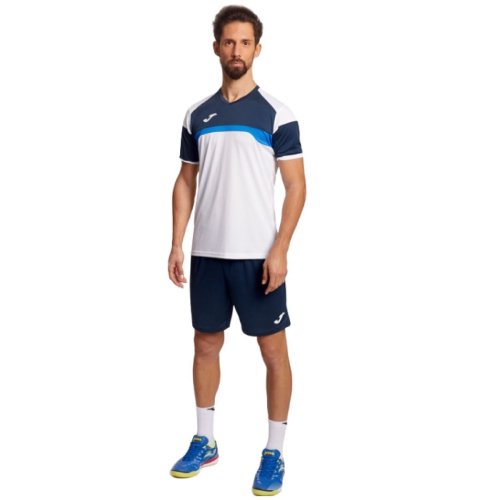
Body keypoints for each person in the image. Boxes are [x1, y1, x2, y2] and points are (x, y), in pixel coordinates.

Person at [168, 5, 306, 496]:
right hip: (208, 255)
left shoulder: (277, 113)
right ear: (216, 48)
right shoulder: (196, 114)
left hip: (258, 257)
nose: (236, 50)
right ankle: (205, 440)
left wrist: (280, 249)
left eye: (245, 42)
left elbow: (297, 187)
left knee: (273, 351)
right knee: (205, 345)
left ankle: (274, 451)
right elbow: (185, 181)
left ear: (257, 49)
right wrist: (176, 243)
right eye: (229, 42)